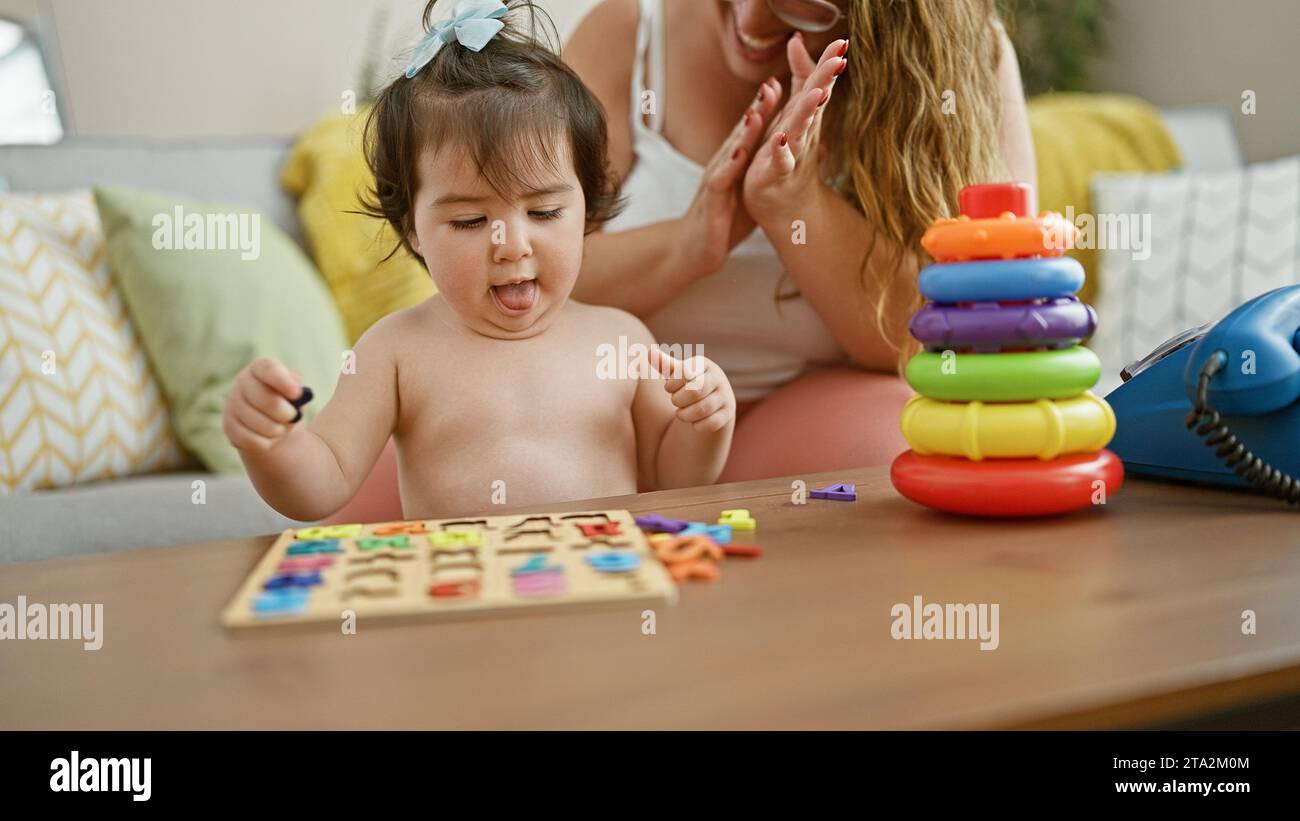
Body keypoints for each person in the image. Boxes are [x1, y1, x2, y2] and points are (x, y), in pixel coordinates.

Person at [222, 0, 736, 521]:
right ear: (413, 231)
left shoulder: (622, 341)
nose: (511, 244)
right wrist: (272, 445)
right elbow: (321, 485)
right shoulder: (395, 351)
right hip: (462, 591)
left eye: (544, 211)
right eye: (469, 221)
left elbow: (677, 476)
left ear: (585, 208)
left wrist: (705, 421)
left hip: (605, 585)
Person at [565, 0, 1035, 479]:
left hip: (805, 410)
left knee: (914, 453)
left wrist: (794, 203)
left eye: (801, 7)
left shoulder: (954, 55)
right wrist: (690, 244)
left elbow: (939, 333)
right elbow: (539, 279)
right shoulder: (628, 32)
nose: (750, 23)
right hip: (638, 415)